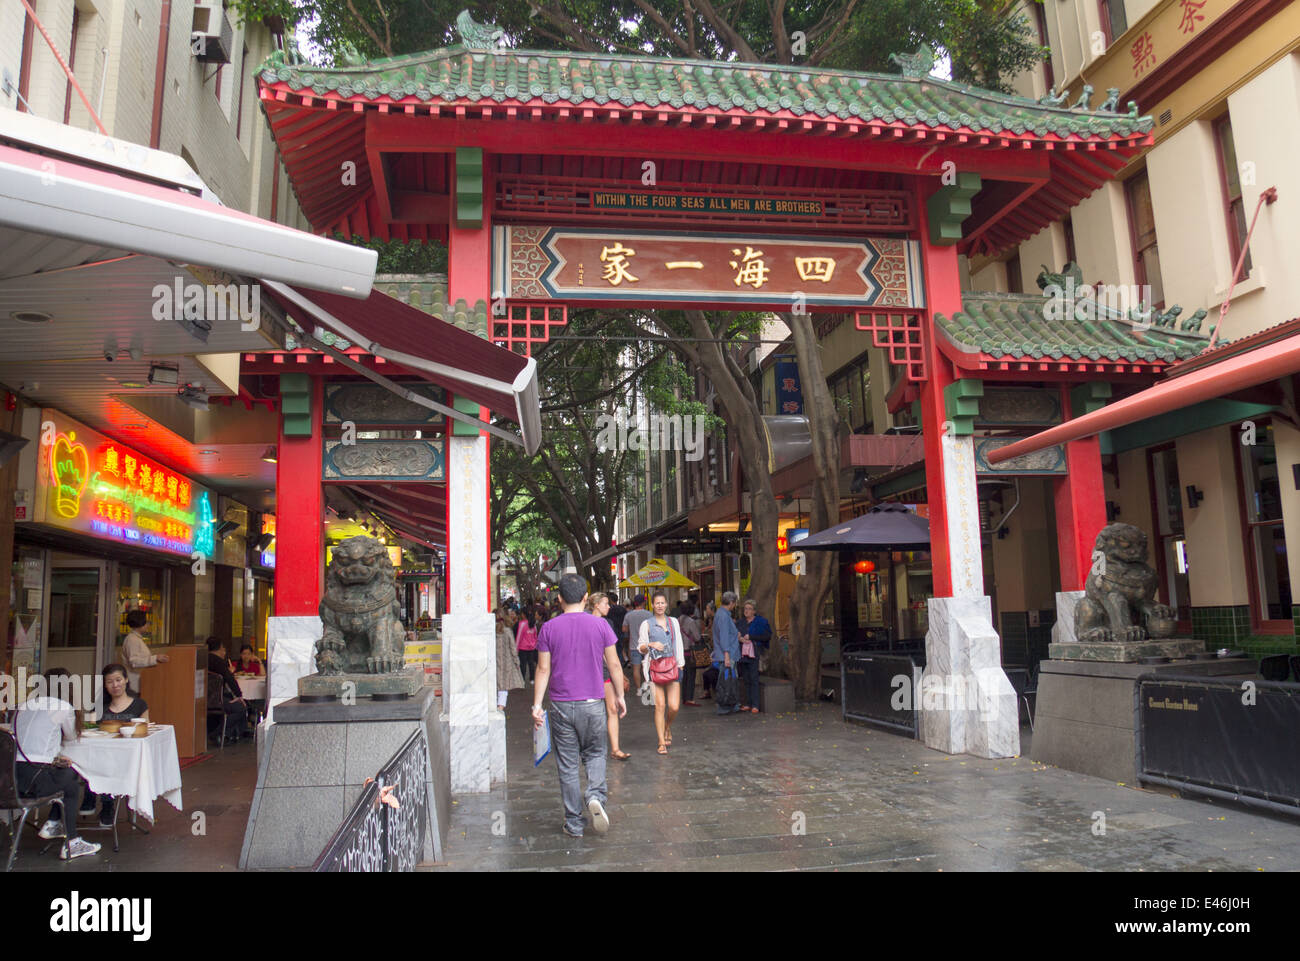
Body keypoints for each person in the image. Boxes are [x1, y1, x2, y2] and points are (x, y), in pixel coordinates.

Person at [532, 573, 626, 838]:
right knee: (596, 753)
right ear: (586, 597)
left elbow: (542, 668)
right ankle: (595, 795)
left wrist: (536, 705)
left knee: (567, 764)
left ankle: (573, 822)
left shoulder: (549, 628)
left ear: (559, 598)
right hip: (593, 703)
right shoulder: (601, 626)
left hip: (562, 705)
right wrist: (619, 696)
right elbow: (615, 664)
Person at [13, 669, 101, 860]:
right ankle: (72, 842)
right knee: (71, 776)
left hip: (11, 782)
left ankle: (54, 823)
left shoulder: (23, 706)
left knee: (63, 773)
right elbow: (70, 737)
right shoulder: (63, 707)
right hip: (36, 781)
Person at [95, 663, 148, 827]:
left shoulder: (140, 705)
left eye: (118, 679)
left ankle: (103, 804)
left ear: (126, 680)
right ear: (105, 685)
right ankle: (106, 805)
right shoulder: (99, 708)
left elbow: (145, 731)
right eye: (110, 681)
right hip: (104, 756)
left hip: (130, 758)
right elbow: (91, 732)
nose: (115, 685)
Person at [636, 590, 685, 754]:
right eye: (657, 603)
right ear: (652, 604)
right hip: (654, 669)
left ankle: (667, 727)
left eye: (662, 603)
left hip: (672, 667)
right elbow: (640, 647)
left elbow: (678, 642)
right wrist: (650, 645)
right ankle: (661, 742)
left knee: (674, 706)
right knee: (660, 706)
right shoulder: (647, 624)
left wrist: (681, 663)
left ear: (667, 603)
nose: (660, 606)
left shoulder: (673, 622)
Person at [586, 592, 629, 760]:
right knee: (592, 711)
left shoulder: (606, 623)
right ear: (596, 605)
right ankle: (592, 747)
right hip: (590, 671)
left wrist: (619, 673)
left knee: (612, 708)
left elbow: (609, 653)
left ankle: (615, 748)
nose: (609, 606)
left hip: (605, 671)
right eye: (605, 603)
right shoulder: (586, 622)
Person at [206, 637, 250, 740]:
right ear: (220, 649)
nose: (224, 652)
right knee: (241, 707)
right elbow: (229, 678)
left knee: (239, 704)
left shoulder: (202, 660)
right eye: (224, 649)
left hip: (204, 699)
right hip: (218, 700)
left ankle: (235, 733)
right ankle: (218, 733)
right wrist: (239, 695)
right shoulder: (219, 662)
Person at [737, 599, 773, 713]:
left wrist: (751, 637)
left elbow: (767, 636)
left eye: (749, 609)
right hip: (743, 654)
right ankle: (748, 703)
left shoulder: (761, 622)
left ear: (754, 611)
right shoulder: (740, 622)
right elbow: (735, 634)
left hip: (755, 653)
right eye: (745, 609)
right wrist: (740, 638)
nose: (746, 611)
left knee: (754, 678)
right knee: (746, 678)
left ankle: (755, 705)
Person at [120, 609, 169, 693]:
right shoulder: (132, 640)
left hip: (140, 682)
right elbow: (134, 662)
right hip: (134, 685)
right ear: (140, 623)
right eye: (146, 622)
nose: (148, 624)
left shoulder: (136, 638)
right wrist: (155, 658)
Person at [712, 592, 742, 715]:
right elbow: (724, 636)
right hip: (728, 654)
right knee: (727, 681)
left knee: (728, 680)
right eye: (734, 603)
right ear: (731, 603)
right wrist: (727, 655)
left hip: (725, 653)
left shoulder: (720, 614)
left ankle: (730, 704)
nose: (734, 606)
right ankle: (726, 704)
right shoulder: (724, 616)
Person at [495, 608, 526, 711]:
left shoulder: (491, 631)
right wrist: (516, 661)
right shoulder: (507, 631)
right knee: (504, 687)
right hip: (507, 663)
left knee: (496, 684)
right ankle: (500, 707)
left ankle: (495, 705)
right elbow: (513, 648)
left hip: (494, 662)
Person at [622, 593, 651, 694]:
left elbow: (624, 629)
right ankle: (648, 687)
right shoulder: (649, 614)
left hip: (634, 646)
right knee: (647, 668)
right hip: (647, 646)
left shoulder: (629, 615)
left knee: (636, 669)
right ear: (643, 602)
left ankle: (639, 689)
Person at [678, 600, 702, 707]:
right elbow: (697, 637)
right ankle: (690, 698)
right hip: (689, 651)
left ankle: (684, 698)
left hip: (680, 652)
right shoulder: (691, 621)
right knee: (691, 675)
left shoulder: (678, 620)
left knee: (684, 676)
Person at [516, 606, 540, 683]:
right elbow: (535, 636)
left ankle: (522, 680)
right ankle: (532, 679)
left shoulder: (522, 624)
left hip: (522, 648)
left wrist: (516, 649)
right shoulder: (533, 623)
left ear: (523, 614)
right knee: (531, 664)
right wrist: (535, 645)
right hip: (532, 648)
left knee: (523, 665)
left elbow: (519, 636)